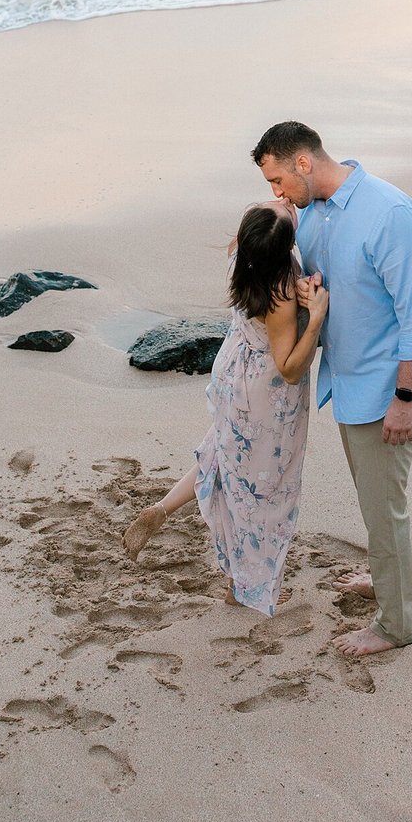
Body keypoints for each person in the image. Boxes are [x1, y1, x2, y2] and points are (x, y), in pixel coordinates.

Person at [252, 121, 412, 656]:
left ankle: (395, 625)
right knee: (376, 500)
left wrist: (403, 401)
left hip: (387, 388)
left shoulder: (390, 214)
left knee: (383, 508)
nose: (278, 194)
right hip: (349, 383)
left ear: (304, 163)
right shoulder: (313, 215)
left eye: (278, 181)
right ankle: (389, 580)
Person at [122, 199, 328, 616]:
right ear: (285, 245)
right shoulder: (282, 290)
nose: (284, 201)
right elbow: (288, 368)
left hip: (233, 372)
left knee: (223, 453)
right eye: (282, 208)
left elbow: (261, 226)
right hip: (266, 395)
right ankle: (247, 586)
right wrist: (317, 316)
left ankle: (161, 509)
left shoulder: (243, 255)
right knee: (264, 491)